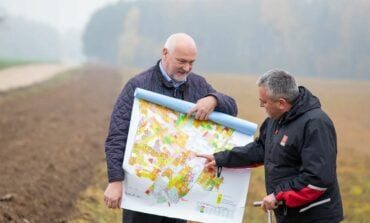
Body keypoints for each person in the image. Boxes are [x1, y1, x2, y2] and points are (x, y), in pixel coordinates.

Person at [103, 33, 238, 223]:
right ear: (165, 53)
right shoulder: (138, 86)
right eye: (182, 61)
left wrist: (214, 99)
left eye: (192, 62)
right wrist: (115, 181)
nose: (187, 68)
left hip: (178, 196)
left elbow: (232, 108)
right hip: (142, 191)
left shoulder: (198, 85)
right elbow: (118, 135)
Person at [198, 69, 343, 223]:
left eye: (264, 101)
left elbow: (317, 180)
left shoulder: (316, 124)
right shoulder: (276, 119)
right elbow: (261, 149)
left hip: (315, 216)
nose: (261, 105)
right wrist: (220, 158)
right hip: (288, 213)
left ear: (281, 103)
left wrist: (278, 195)